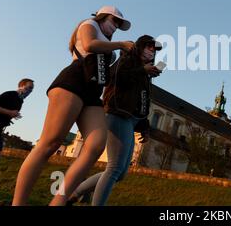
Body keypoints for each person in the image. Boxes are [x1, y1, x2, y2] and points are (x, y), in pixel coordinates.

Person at [12, 6, 134, 206]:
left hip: (94, 91)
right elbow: (90, 44)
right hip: (73, 81)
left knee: (96, 145)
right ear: (102, 17)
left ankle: (58, 202)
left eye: (119, 25)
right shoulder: (89, 25)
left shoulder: (110, 45)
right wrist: (121, 44)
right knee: (50, 143)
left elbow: (108, 74)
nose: (116, 27)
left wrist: (130, 62)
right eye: (114, 21)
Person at [67, 35, 162, 206]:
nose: (151, 51)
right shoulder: (126, 60)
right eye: (149, 47)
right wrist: (143, 71)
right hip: (117, 115)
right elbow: (115, 78)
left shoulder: (144, 72)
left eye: (154, 50)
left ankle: (76, 193)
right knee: (114, 168)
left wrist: (144, 126)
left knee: (121, 173)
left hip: (132, 119)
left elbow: (142, 100)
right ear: (139, 47)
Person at [0, 79, 34, 171]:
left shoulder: (20, 102)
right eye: (29, 88)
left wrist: (9, 118)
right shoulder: (10, 94)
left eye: (32, 90)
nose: (30, 91)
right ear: (21, 86)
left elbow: (7, 114)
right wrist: (10, 112)